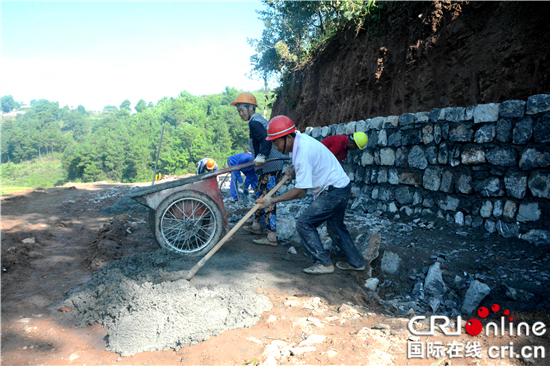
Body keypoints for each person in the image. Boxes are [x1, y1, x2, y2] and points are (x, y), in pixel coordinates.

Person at [257, 115, 366, 275]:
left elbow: (301, 191)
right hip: (341, 187)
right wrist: (294, 171)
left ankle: (323, 263)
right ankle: (357, 263)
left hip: (333, 191)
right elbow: (308, 164)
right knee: (336, 227)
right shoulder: (301, 139)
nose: (276, 147)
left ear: (288, 137)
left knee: (304, 223)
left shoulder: (303, 153)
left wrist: (272, 200)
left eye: (276, 142)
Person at [231, 92, 283, 246]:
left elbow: (267, 139)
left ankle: (271, 236)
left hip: (271, 165)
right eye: (238, 111)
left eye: (242, 110)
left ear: (251, 107)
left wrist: (261, 156)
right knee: (259, 194)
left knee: (268, 198)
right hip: (267, 167)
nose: (241, 114)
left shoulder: (255, 122)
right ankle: (256, 226)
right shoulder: (257, 120)